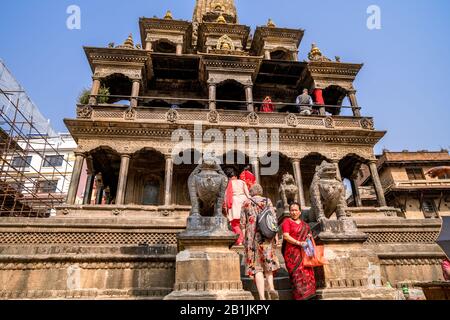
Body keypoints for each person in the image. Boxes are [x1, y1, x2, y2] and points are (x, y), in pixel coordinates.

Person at [241, 184, 280, 300]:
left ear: (251, 192)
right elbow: (273, 219)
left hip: (251, 237)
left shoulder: (246, 203)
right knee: (268, 263)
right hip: (266, 236)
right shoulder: (267, 201)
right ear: (261, 191)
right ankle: (271, 288)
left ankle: (262, 298)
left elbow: (243, 223)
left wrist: (244, 238)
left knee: (256, 267)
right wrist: (276, 235)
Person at [281, 202, 317, 300]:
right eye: (292, 210)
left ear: (300, 212)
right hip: (292, 255)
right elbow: (286, 236)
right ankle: (300, 297)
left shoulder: (305, 225)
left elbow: (309, 236)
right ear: (289, 212)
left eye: (296, 210)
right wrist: (299, 243)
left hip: (305, 254)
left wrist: (309, 237)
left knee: (307, 273)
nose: (294, 212)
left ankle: (310, 295)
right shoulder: (287, 222)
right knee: (297, 276)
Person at [224, 167, 250, 246]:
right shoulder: (242, 182)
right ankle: (246, 240)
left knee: (235, 224)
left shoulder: (228, 184)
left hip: (234, 203)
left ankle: (240, 240)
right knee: (245, 223)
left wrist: (225, 208)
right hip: (244, 201)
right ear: (235, 175)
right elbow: (248, 194)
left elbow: (225, 197)